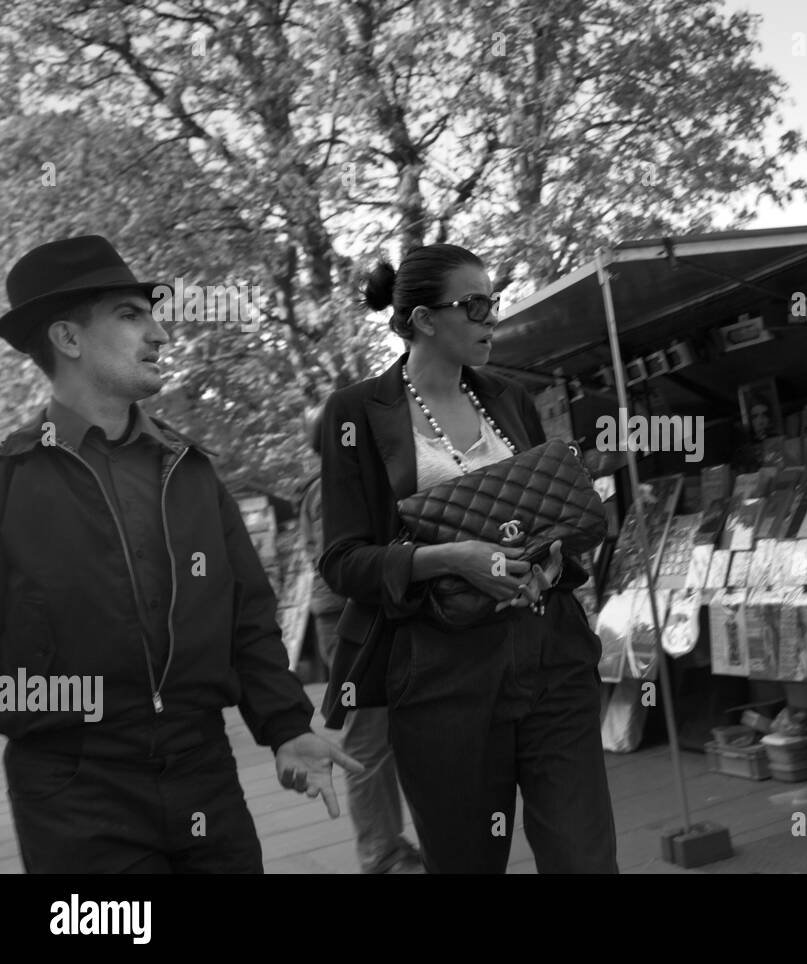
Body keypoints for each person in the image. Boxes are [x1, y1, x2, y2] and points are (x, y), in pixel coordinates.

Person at [0, 235, 360, 873]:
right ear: (68, 338)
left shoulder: (189, 470)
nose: (162, 334)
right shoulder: (9, 478)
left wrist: (286, 726)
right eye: (132, 315)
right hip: (71, 793)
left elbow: (248, 612)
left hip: (204, 774)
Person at [317, 243, 618, 874]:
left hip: (551, 655)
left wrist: (550, 559)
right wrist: (451, 558)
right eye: (475, 305)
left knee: (584, 857)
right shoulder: (355, 414)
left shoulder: (510, 400)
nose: (491, 319)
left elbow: (549, 519)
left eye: (493, 302)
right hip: (442, 673)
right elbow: (344, 562)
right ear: (425, 320)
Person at [300, 405, 423, 874]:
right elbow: (347, 561)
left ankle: (393, 844)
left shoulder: (338, 483)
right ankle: (381, 852)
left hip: (363, 610)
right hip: (351, 616)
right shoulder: (331, 489)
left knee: (390, 730)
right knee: (369, 734)